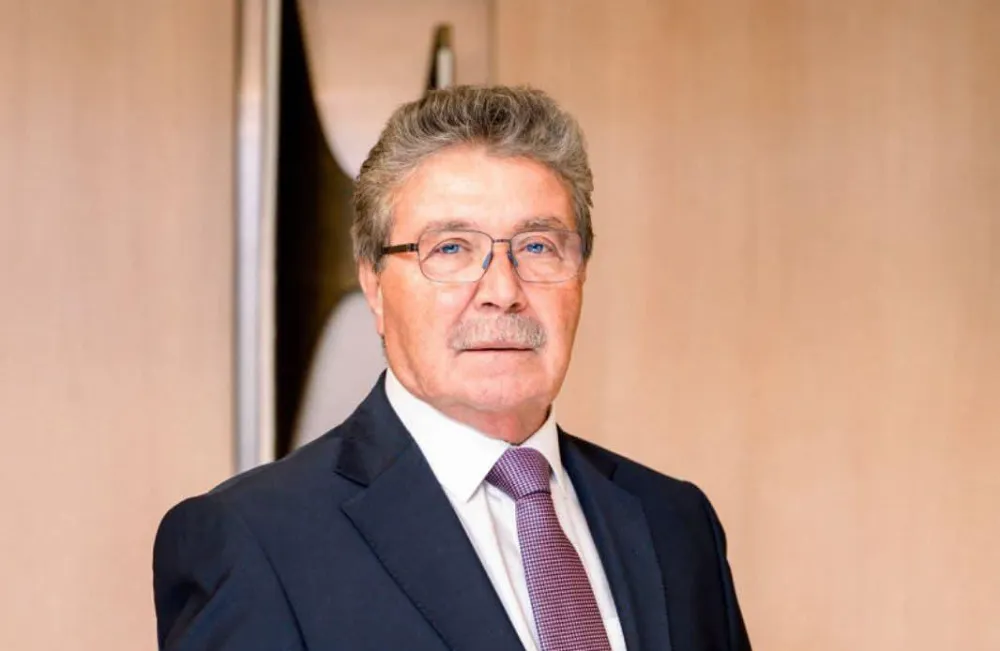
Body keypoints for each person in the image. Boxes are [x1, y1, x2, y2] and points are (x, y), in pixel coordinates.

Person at [153, 85, 752, 651]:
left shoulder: (676, 523)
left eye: (538, 246)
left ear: (582, 275)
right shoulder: (256, 541)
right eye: (451, 249)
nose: (502, 292)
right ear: (374, 285)